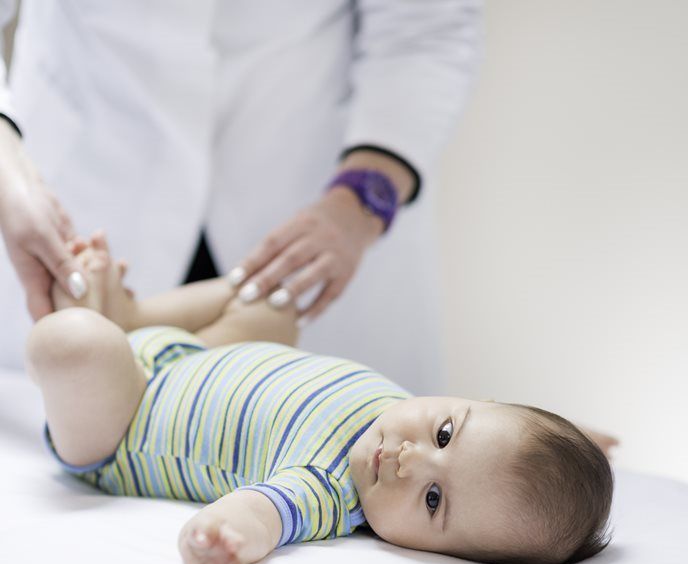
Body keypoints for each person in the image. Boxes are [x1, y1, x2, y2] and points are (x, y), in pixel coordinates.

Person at [26, 233, 614, 564]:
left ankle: (106, 325)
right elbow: (501, 449)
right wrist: (568, 438)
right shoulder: (409, 409)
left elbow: (257, 515)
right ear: (473, 400)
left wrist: (219, 541)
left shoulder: (326, 491)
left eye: (434, 501)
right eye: (443, 435)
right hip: (193, 356)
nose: (412, 461)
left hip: (125, 421)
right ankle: (133, 316)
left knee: (70, 343)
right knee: (272, 303)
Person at [0, 1, 482, 395]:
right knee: (79, 410)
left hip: (318, 197)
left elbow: (426, 29)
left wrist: (363, 197)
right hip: (79, 169)